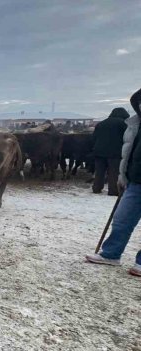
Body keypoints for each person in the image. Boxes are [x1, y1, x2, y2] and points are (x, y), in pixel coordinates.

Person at [86, 89, 141, 277]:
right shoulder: (135, 124)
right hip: (135, 179)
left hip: (102, 154)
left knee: (101, 173)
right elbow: (130, 150)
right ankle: (111, 254)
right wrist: (123, 174)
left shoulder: (105, 124)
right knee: (122, 218)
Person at [92, 107, 129, 196]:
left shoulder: (101, 124)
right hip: (115, 152)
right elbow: (127, 138)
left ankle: (96, 188)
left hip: (99, 151)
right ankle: (113, 190)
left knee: (99, 171)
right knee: (114, 171)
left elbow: (94, 137)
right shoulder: (123, 124)